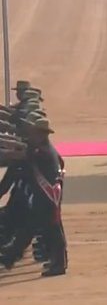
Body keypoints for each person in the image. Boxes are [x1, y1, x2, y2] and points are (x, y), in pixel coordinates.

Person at [0, 115, 67, 277]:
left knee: (47, 229)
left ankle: (58, 264)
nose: (32, 135)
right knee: (41, 228)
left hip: (47, 196)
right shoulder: (43, 148)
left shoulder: (41, 151)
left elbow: (23, 156)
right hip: (45, 195)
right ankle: (11, 256)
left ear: (42, 134)